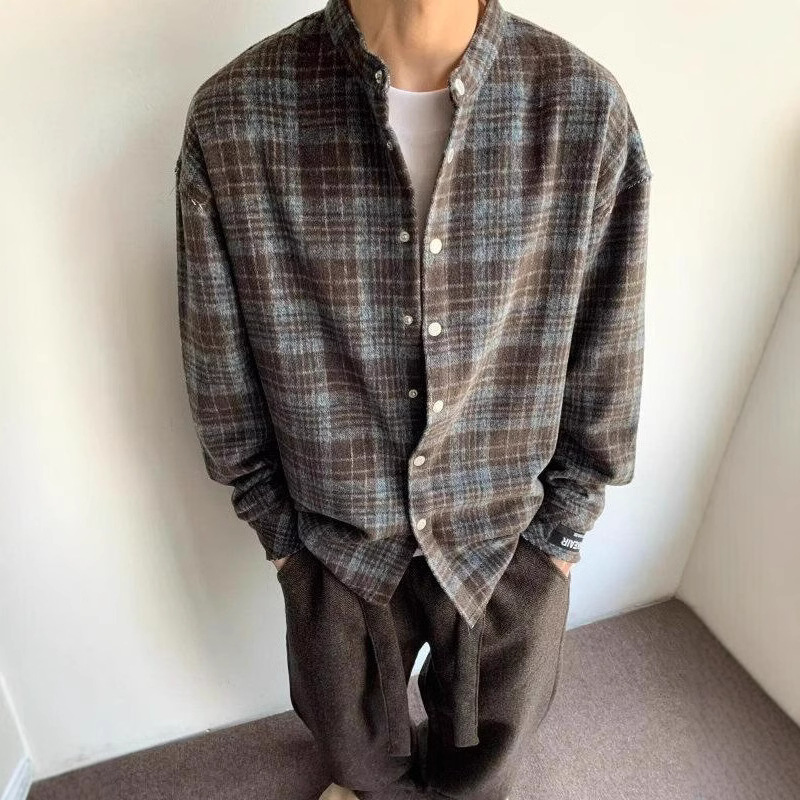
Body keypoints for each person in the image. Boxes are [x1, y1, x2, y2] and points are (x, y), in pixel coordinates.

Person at [175, 0, 652, 797]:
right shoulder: (235, 116)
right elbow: (217, 359)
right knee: (354, 751)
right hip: (332, 537)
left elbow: (610, 340)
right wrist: (281, 537)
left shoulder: (582, 108)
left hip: (511, 531)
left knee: (489, 763)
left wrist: (562, 534)